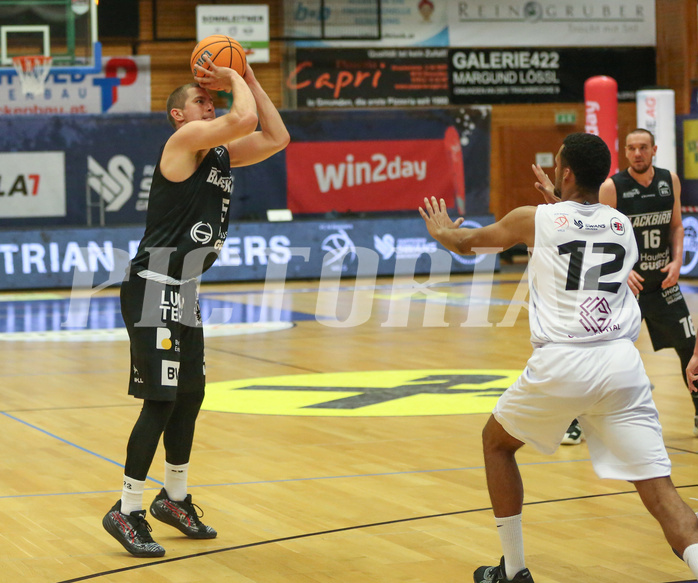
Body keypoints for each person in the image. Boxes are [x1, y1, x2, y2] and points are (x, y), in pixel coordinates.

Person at [419, 132, 698, 583]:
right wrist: (561, 201)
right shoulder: (620, 224)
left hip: (565, 361)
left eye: (558, 167)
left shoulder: (535, 219)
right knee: (661, 492)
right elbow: (584, 227)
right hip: (621, 364)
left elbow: (471, 244)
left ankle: (512, 570)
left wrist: (442, 231)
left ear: (565, 172)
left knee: (496, 443)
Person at [102, 57, 290, 557]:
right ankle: (127, 509)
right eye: (200, 102)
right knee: (160, 400)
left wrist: (248, 79)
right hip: (152, 284)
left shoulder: (220, 155)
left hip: (184, 289)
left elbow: (275, 136)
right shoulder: (181, 144)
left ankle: (175, 498)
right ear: (179, 118)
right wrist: (232, 79)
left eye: (211, 101)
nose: (210, 105)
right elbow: (244, 120)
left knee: (190, 395)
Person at [559, 128, 696, 444]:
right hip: (625, 289)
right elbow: (599, 235)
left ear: (654, 149)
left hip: (663, 284)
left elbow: (676, 226)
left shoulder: (669, 180)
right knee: (599, 353)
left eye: (643, 147)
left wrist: (677, 262)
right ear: (625, 152)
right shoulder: (612, 187)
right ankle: (576, 422)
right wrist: (623, 270)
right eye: (632, 148)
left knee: (691, 347)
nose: (638, 153)